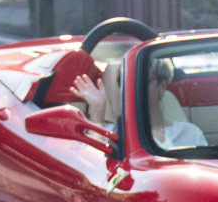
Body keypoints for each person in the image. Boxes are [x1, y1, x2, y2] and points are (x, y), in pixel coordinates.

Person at [71, 59, 206, 150]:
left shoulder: (191, 133)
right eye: (122, 83)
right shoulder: (113, 132)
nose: (132, 88)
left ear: (162, 85)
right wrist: (97, 110)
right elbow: (95, 167)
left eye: (142, 81)